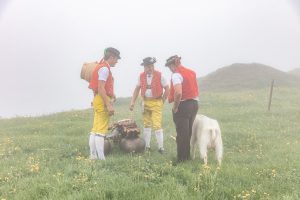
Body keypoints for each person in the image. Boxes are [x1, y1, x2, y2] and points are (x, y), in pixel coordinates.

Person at [130, 57, 170, 153]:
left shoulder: (160, 75)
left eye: (151, 66)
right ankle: (146, 146)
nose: (150, 68)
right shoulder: (141, 76)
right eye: (148, 66)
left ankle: (161, 148)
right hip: (145, 102)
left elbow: (167, 89)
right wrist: (132, 102)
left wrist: (162, 101)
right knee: (146, 124)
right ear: (144, 67)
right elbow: (137, 89)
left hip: (156, 102)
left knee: (157, 125)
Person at [88, 47, 121, 160]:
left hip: (98, 99)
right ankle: (101, 159)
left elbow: (99, 88)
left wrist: (112, 94)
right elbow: (101, 88)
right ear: (111, 57)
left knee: (95, 129)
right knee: (101, 131)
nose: (117, 61)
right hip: (102, 100)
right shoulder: (105, 69)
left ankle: (93, 156)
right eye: (116, 59)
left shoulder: (101, 66)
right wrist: (108, 104)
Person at [165, 55, 199, 162]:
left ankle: (182, 159)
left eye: (170, 66)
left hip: (183, 105)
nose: (170, 69)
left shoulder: (176, 75)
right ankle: (187, 157)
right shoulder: (191, 72)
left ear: (174, 64)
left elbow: (178, 92)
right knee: (187, 133)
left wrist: (175, 107)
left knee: (181, 134)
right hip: (194, 104)